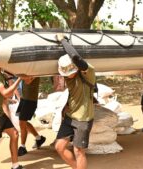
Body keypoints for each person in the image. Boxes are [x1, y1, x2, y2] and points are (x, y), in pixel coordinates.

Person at [55, 33, 95, 169]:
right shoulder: (68, 76)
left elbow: (76, 58)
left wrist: (62, 40)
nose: (68, 75)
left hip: (83, 118)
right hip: (69, 116)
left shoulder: (88, 72)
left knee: (78, 151)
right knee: (59, 147)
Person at [17, 77, 46, 156]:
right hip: (24, 99)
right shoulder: (27, 69)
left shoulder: (34, 69)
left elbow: (28, 81)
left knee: (22, 122)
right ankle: (39, 138)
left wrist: (19, 74)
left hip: (30, 100)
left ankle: (22, 147)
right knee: (23, 122)